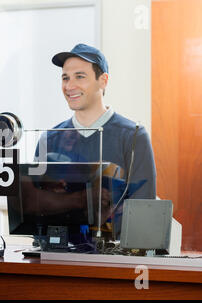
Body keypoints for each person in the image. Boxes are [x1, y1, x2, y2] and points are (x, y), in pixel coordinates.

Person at [36, 43, 156, 239]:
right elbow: (38, 210)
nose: (69, 86)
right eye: (65, 78)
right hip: (59, 258)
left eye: (80, 77)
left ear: (103, 81)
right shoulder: (49, 139)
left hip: (115, 260)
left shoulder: (133, 136)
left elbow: (143, 210)